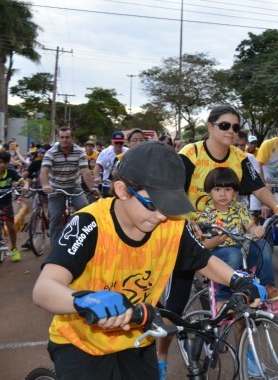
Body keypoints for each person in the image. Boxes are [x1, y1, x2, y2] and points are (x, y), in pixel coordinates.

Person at [32, 142, 263, 380]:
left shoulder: (172, 223)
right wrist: (86, 300)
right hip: (80, 342)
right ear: (122, 191)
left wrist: (238, 280)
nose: (162, 215)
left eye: (170, 205)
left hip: (137, 336)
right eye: (153, 204)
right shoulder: (90, 223)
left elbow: (203, 260)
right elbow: (44, 288)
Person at [157, 104, 278, 373]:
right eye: (224, 126)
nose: (231, 131)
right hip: (189, 234)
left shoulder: (239, 157)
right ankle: (160, 362)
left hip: (227, 235)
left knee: (243, 295)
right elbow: (172, 191)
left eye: (235, 127)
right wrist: (189, 220)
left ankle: (248, 355)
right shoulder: (190, 153)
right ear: (210, 127)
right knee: (174, 308)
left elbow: (258, 187)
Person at [195, 167, 272, 308]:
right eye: (217, 189)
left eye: (228, 189)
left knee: (263, 245)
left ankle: (267, 285)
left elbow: (249, 225)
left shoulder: (239, 207)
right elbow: (201, 244)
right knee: (233, 253)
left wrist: (256, 229)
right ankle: (223, 297)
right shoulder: (206, 214)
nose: (223, 194)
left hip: (242, 247)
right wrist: (213, 242)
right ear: (209, 192)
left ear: (235, 192)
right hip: (219, 252)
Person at [40, 126, 99, 249]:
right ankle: (56, 248)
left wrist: (92, 188)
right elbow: (44, 171)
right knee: (55, 217)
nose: (64, 140)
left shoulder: (79, 152)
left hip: (74, 186)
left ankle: (87, 241)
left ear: (72, 138)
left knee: (85, 209)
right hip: (56, 188)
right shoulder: (51, 152)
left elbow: (85, 172)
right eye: (62, 137)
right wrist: (46, 185)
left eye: (67, 137)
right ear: (58, 138)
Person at [0, 151, 24, 261]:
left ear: (6, 163)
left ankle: (14, 249)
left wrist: (24, 185)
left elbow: (23, 181)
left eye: (1, 163)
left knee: (11, 228)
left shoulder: (10, 173)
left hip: (6, 204)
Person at [94, 131, 127, 196]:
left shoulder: (128, 152)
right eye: (116, 142)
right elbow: (97, 166)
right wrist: (97, 177)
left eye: (121, 142)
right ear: (112, 142)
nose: (118, 144)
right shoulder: (105, 152)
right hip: (107, 184)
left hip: (123, 184)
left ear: (124, 142)